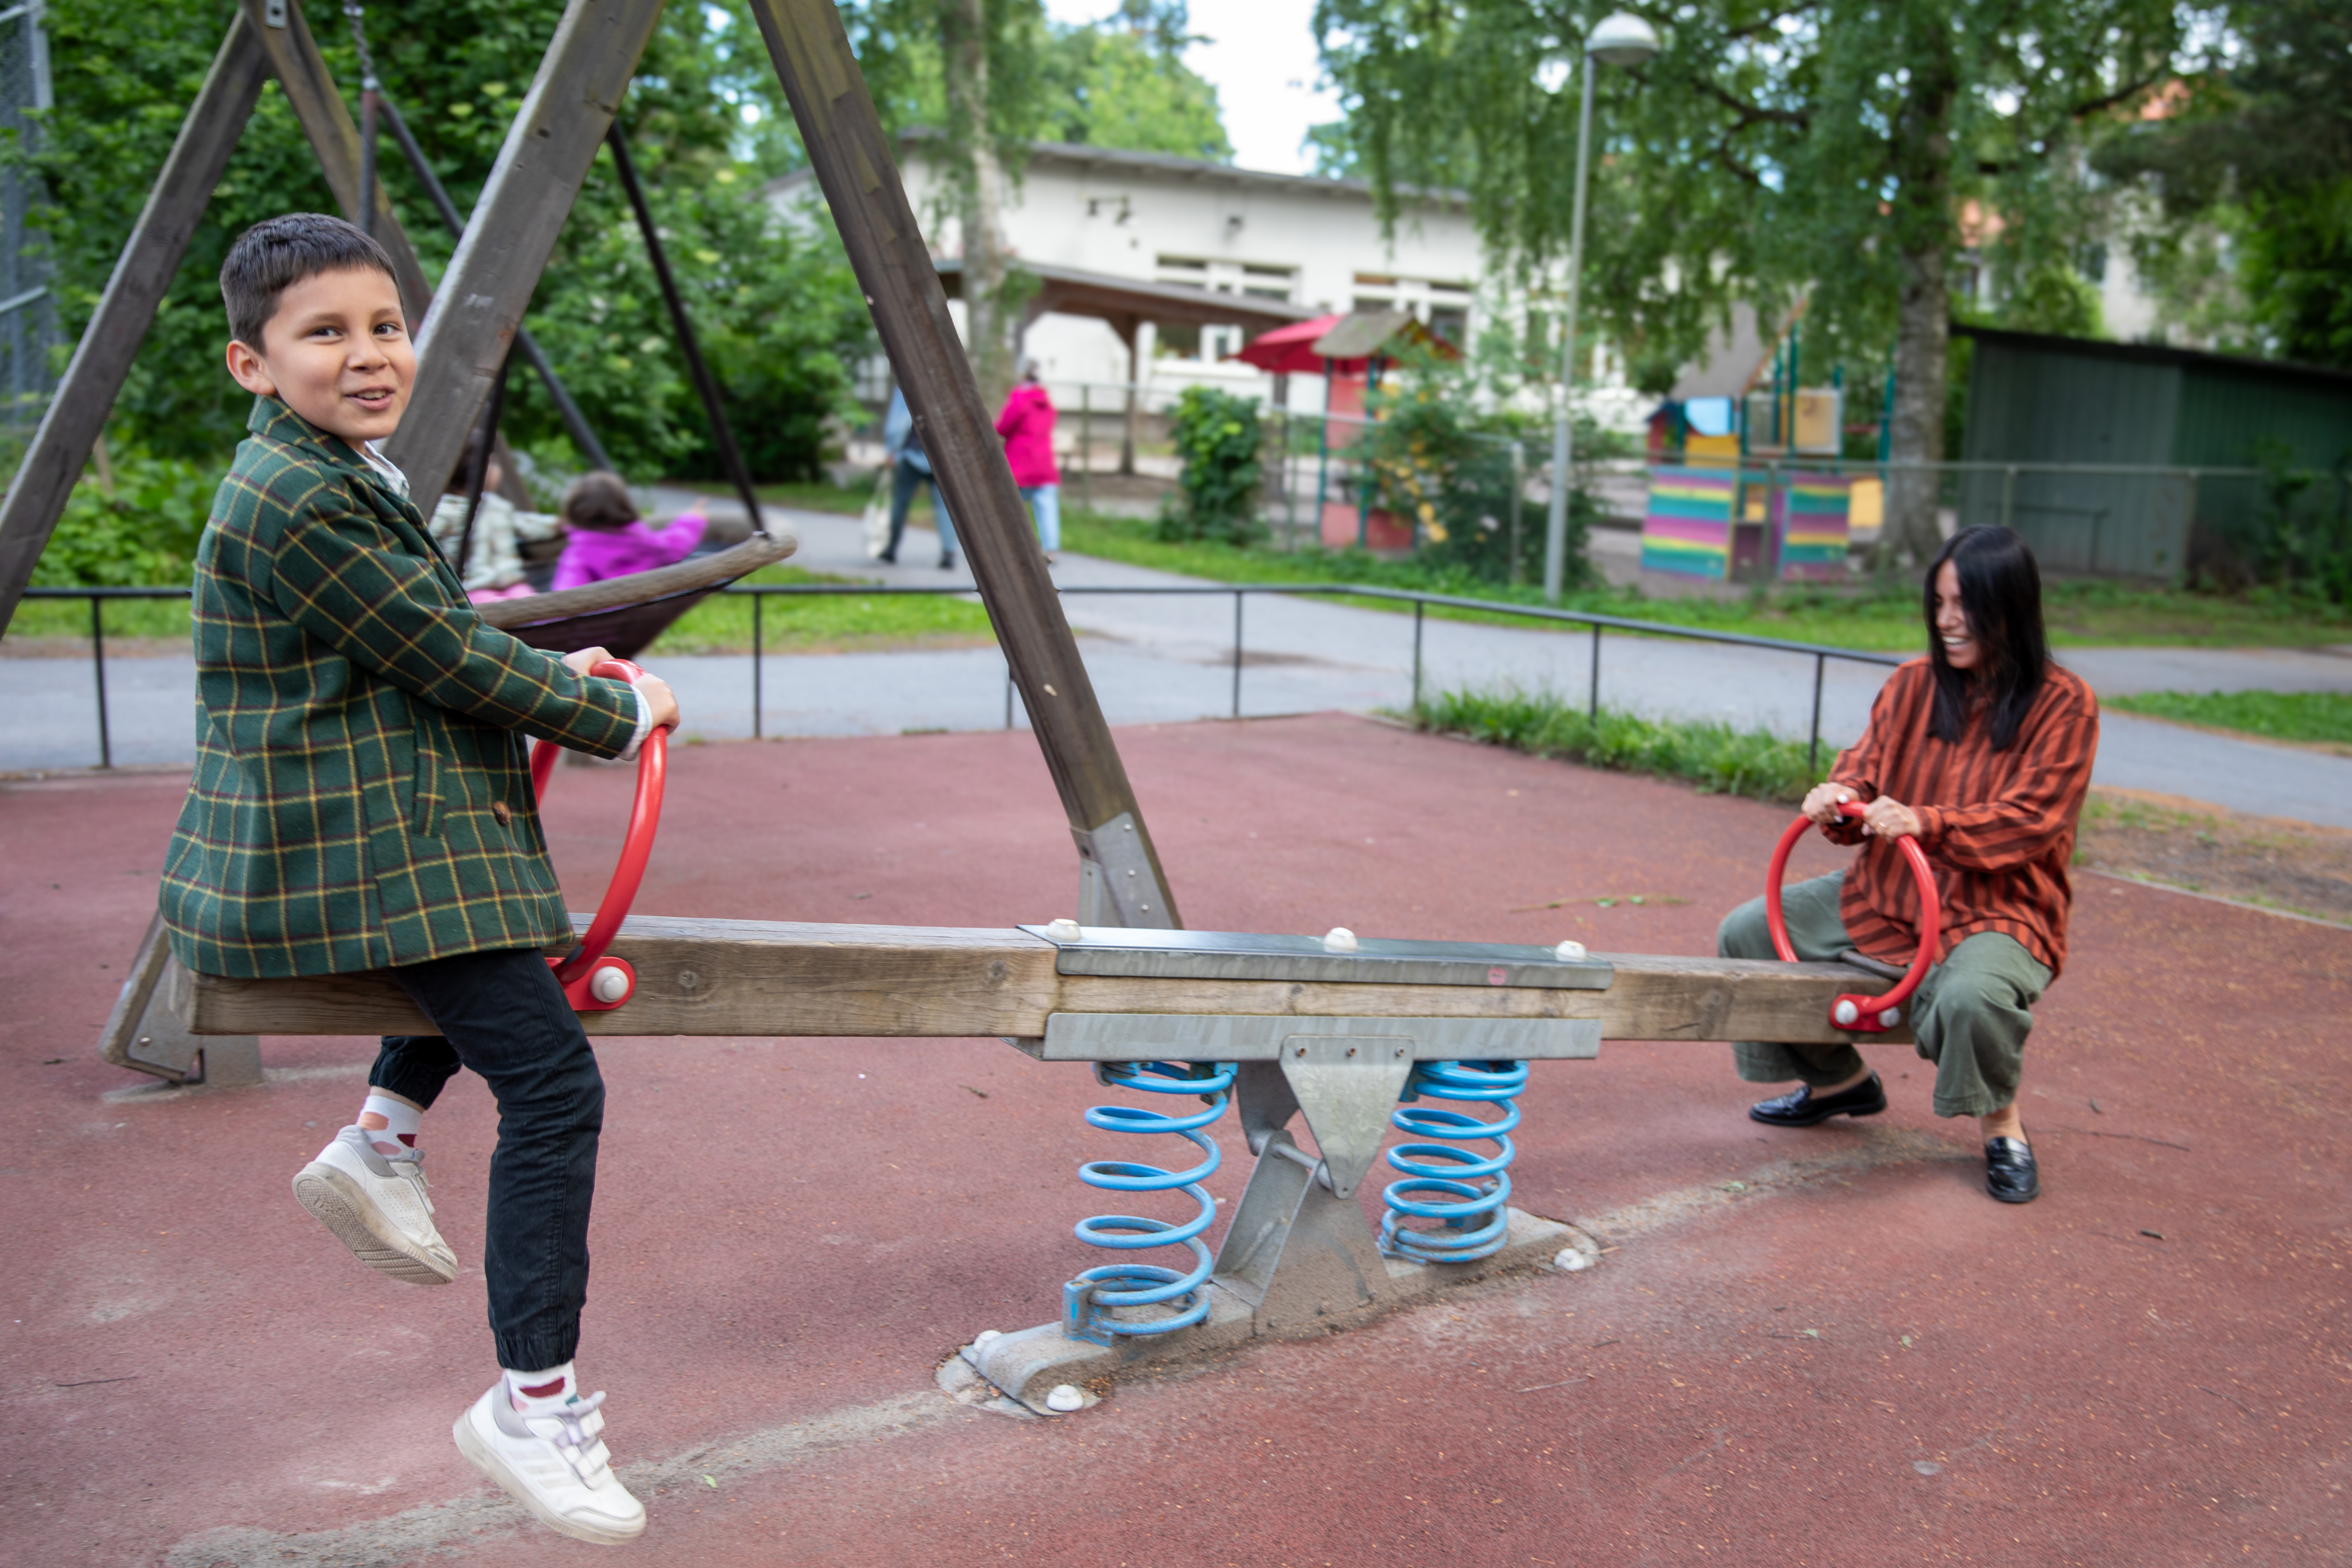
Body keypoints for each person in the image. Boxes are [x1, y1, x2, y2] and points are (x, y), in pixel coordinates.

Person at [162, 213, 681, 1545]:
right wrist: (614, 717)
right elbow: (435, 652)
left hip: (381, 830)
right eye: (324, 333)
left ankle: (381, 1138)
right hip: (346, 846)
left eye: (383, 325)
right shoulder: (297, 494)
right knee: (556, 1083)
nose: (368, 353)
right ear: (251, 363)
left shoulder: (329, 468)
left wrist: (565, 675)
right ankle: (530, 1401)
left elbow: (428, 632)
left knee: (494, 929)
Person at [1714, 525, 2097, 1204]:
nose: (1947, 621)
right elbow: (1863, 765)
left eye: (1964, 605)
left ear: (2011, 606)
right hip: (1887, 892)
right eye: (1939, 602)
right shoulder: (1911, 682)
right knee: (1745, 933)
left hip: (1996, 908)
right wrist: (1839, 799)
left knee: (1969, 996)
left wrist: (1929, 819)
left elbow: (2030, 820)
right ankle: (1838, 1083)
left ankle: (2001, 1125)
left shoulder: (2062, 701)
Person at [427, 454, 565, 602]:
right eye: (491, 464)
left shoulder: (496, 505)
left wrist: (563, 523)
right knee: (497, 607)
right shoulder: (448, 509)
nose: (497, 470)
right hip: (472, 587)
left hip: (510, 583)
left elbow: (527, 524)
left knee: (535, 604)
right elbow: (426, 534)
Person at [551, 469, 708, 591]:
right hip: (637, 621)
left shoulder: (579, 555)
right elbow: (677, 543)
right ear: (625, 507)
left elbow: (565, 601)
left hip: (593, 628)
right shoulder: (644, 543)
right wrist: (693, 519)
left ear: (574, 513)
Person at [881, 384, 958, 568]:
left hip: (912, 453)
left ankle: (891, 549)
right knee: (945, 508)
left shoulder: (905, 381)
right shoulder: (944, 382)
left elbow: (897, 421)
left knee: (901, 502)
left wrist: (891, 448)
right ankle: (949, 553)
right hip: (940, 457)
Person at [995, 358, 1061, 564]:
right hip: (1044, 463)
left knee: (1009, 506)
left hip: (1020, 462)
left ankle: (1008, 547)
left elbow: (1003, 427)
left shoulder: (1020, 399)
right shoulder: (1047, 402)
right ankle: (1050, 551)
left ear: (1022, 376)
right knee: (1047, 509)